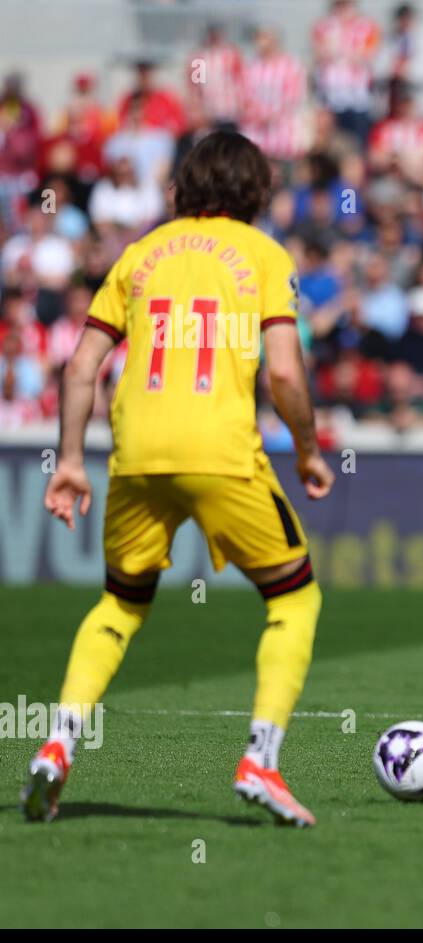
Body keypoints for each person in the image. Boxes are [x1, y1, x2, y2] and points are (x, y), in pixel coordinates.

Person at [24, 132, 336, 826]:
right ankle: (261, 758)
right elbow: (284, 371)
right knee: (294, 600)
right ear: (256, 190)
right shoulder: (263, 254)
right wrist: (311, 450)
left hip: (136, 455)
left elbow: (81, 367)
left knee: (121, 605)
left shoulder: (137, 255)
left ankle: (56, 745)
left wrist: (70, 460)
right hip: (221, 454)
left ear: (183, 188)